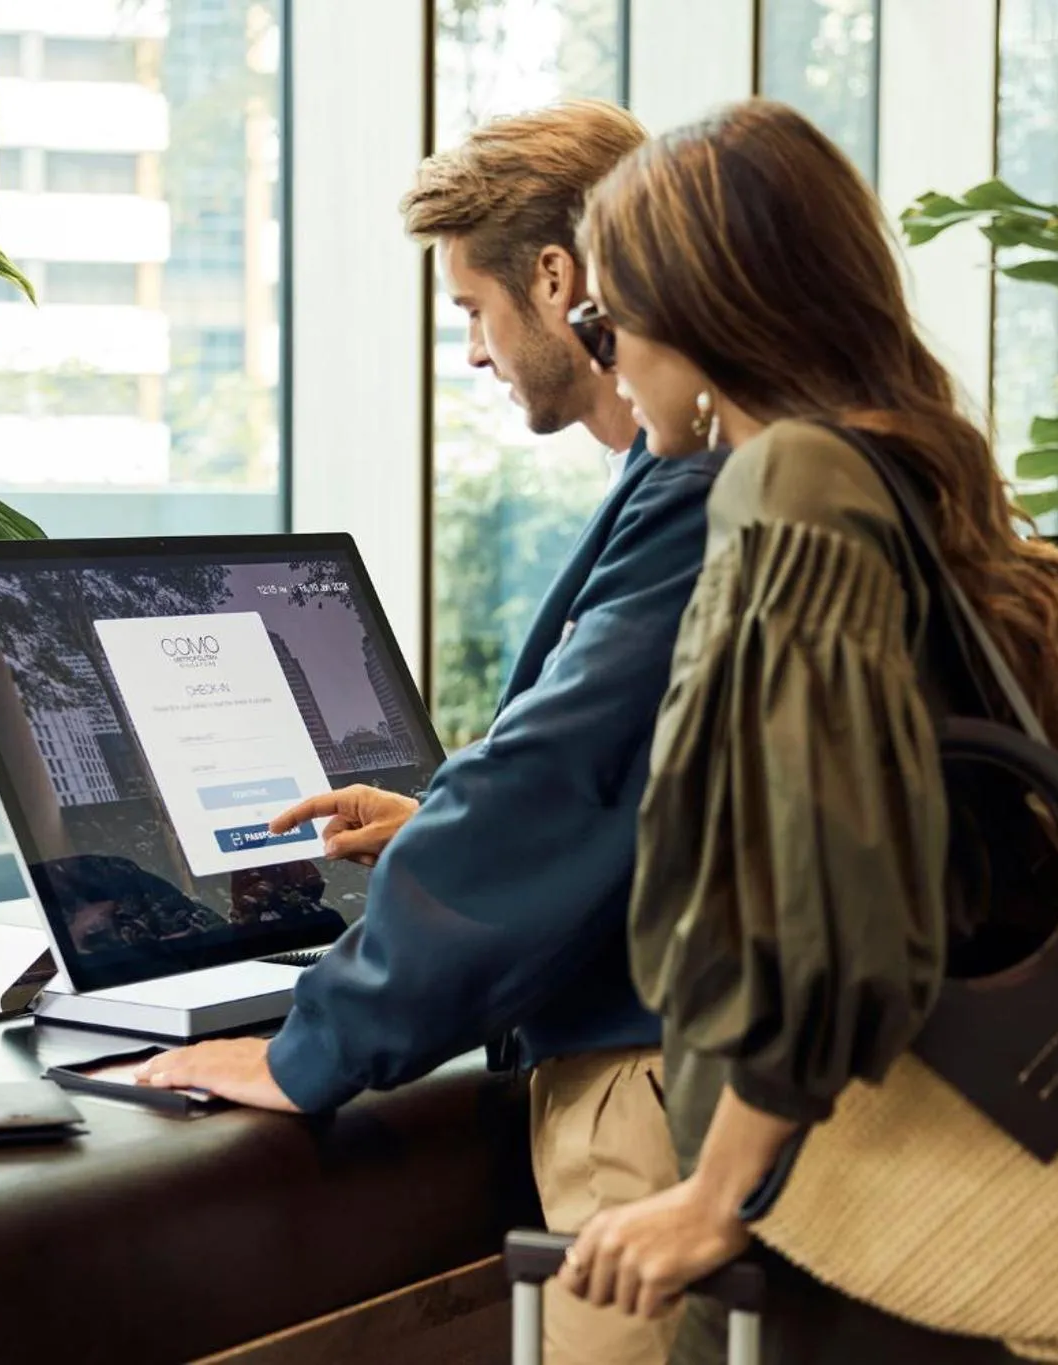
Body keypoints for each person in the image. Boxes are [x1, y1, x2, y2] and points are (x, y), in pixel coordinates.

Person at [548, 100, 1058, 1363]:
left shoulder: (787, 480)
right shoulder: (903, 465)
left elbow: (836, 866)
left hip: (846, 1199)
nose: (602, 352)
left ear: (702, 305)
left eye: (602, 316)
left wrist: (714, 1189)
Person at [135, 99, 726, 1365]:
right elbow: (649, 777)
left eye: (470, 308)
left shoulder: (698, 492)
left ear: (557, 281)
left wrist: (307, 1054)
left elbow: (563, 781)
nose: (469, 351)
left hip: (647, 1084)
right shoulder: (689, 481)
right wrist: (436, 823)